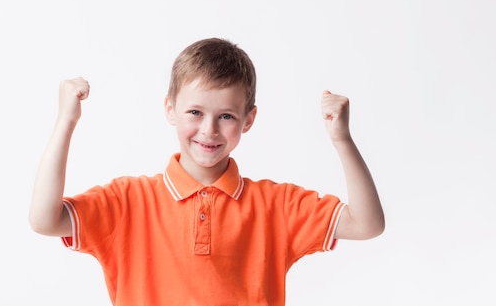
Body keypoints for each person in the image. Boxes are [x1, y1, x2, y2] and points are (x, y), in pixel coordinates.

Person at [29, 37, 385, 306]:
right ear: (170, 108)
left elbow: (366, 224)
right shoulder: (128, 202)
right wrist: (66, 122)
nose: (209, 130)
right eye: (195, 112)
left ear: (249, 120)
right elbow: (45, 220)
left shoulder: (275, 206)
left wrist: (342, 139)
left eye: (226, 116)